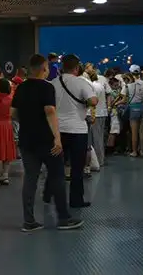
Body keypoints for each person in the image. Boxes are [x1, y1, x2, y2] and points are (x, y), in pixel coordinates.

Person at [12, 54, 83, 231]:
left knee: (30, 178)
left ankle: (29, 221)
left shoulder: (21, 88)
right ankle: (63, 218)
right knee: (57, 176)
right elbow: (50, 111)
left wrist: (27, 122)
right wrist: (57, 138)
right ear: (44, 69)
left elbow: (12, 113)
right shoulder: (47, 87)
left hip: (26, 140)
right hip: (46, 140)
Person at [52, 54, 98, 208]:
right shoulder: (81, 82)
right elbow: (93, 101)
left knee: (57, 166)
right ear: (77, 68)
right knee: (77, 168)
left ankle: (54, 198)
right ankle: (76, 200)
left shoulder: (53, 83)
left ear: (62, 67)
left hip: (58, 130)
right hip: (78, 130)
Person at [124, 65, 143, 157]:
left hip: (133, 108)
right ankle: (141, 150)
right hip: (142, 107)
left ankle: (134, 151)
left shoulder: (128, 85)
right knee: (142, 132)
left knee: (134, 132)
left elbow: (125, 98)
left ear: (131, 73)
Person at [88, 70, 111, 168]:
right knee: (100, 138)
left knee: (94, 139)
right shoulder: (100, 85)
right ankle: (101, 158)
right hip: (102, 113)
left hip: (95, 115)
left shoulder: (91, 86)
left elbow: (92, 102)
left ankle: (97, 161)